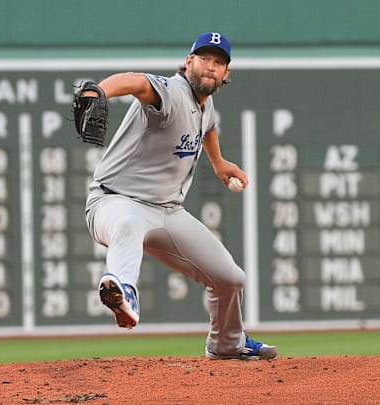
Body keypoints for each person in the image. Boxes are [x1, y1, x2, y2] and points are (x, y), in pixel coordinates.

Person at [83, 32, 278, 360]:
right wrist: (99, 90)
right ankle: (123, 289)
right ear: (189, 63)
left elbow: (209, 127)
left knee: (230, 278)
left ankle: (227, 344)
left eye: (218, 62)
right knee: (128, 225)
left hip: (167, 211)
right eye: (204, 59)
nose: (210, 66)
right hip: (113, 201)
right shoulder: (171, 91)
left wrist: (218, 163)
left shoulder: (205, 103)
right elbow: (135, 82)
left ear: (226, 74)